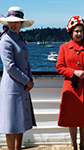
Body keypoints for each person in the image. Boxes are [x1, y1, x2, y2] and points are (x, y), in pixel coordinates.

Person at [56, 16, 84, 150]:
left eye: (81, 31)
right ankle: (74, 145)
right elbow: (59, 67)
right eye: (76, 31)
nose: (79, 34)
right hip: (71, 88)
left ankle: (82, 145)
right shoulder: (64, 48)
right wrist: (74, 72)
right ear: (71, 32)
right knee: (72, 118)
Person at [0, 6, 36, 150]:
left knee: (20, 121)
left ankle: (18, 148)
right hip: (11, 87)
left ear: (21, 23)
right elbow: (9, 67)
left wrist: (30, 79)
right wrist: (27, 81)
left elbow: (26, 62)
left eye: (17, 21)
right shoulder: (5, 41)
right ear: (7, 23)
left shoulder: (21, 39)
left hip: (22, 86)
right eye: (11, 21)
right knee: (11, 123)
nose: (13, 24)